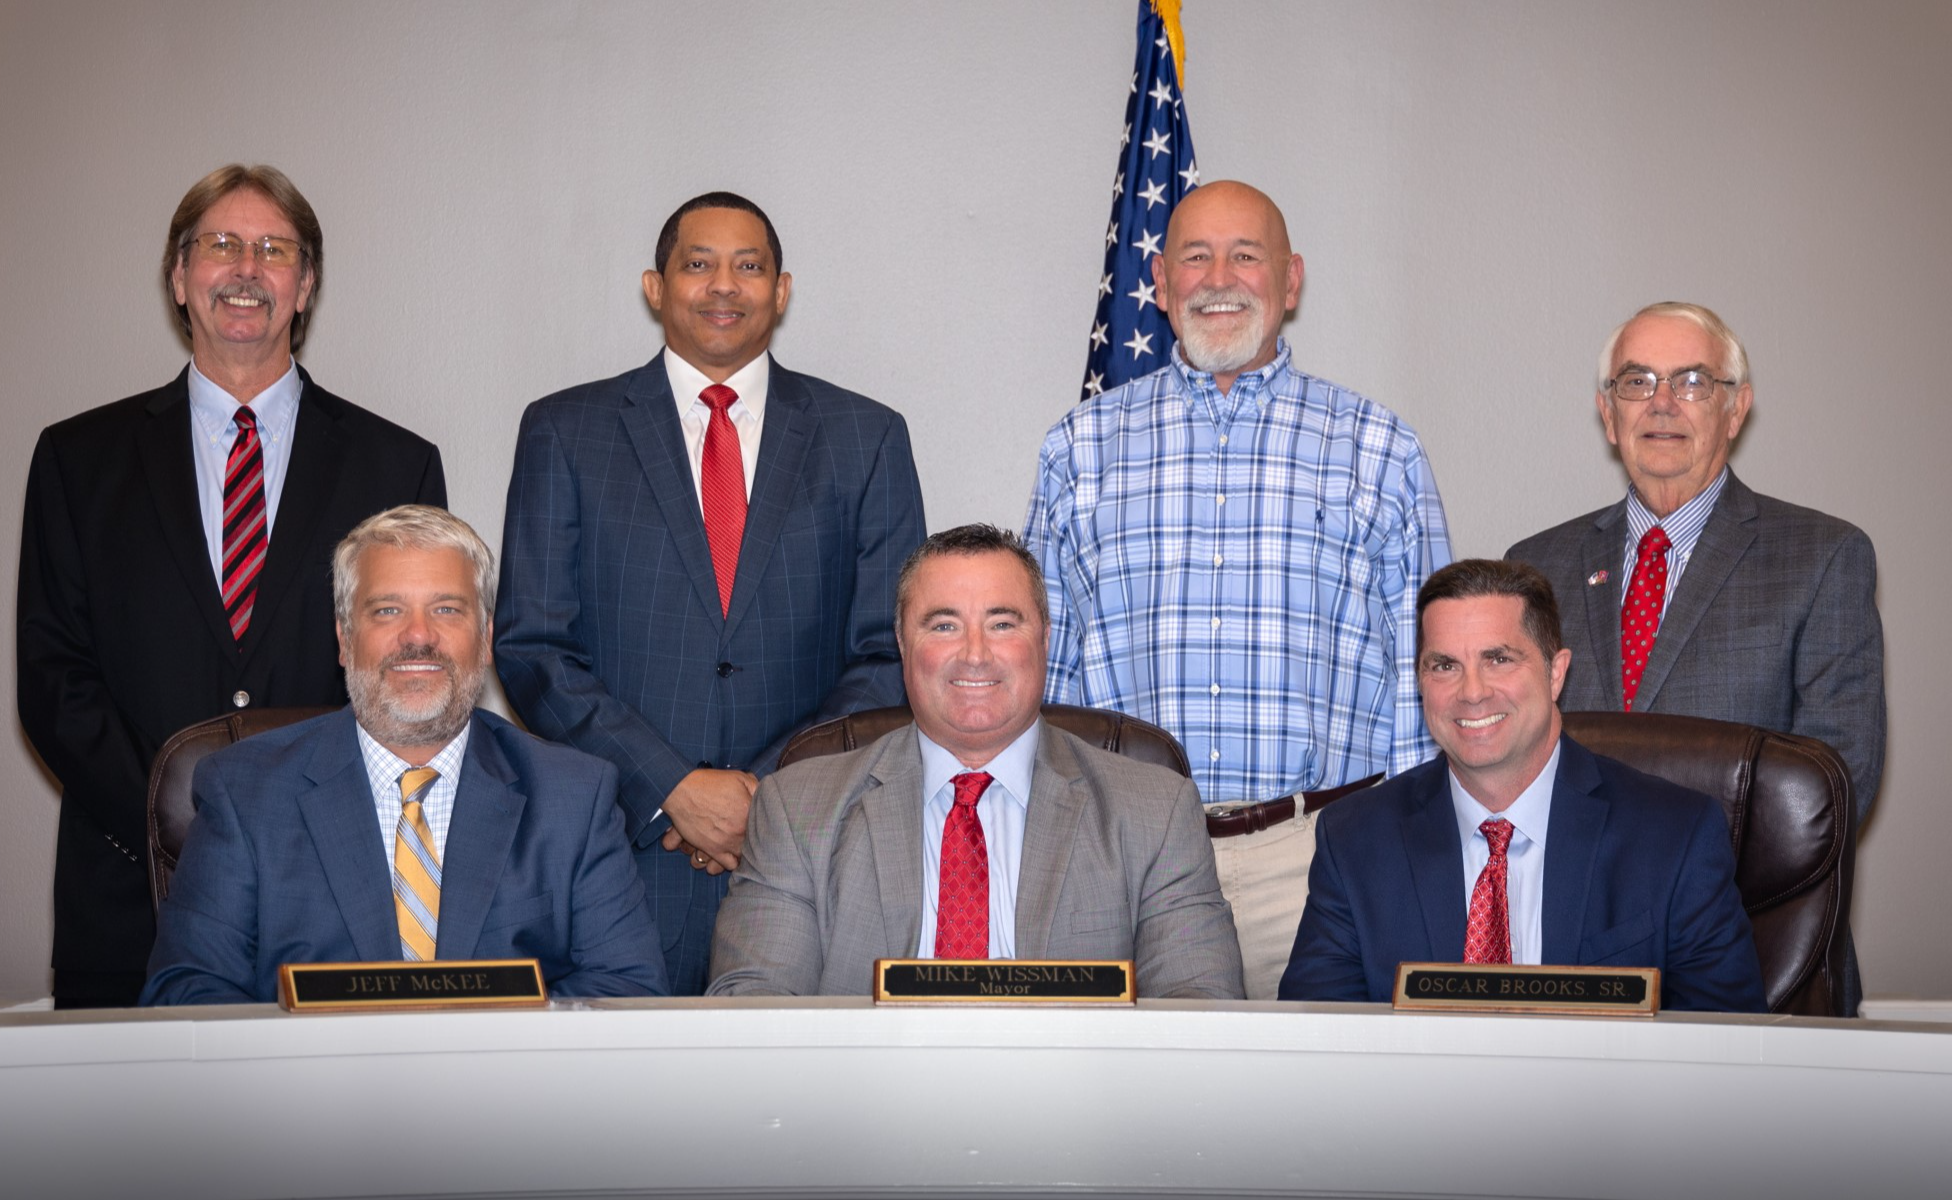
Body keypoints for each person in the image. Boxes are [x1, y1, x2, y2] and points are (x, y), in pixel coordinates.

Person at [17, 164, 446, 1009]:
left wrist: (286, 832)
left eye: (274, 249)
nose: (246, 269)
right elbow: (54, 679)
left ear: (306, 284)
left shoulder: (395, 463)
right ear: (180, 278)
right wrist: (174, 819)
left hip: (333, 898)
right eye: (220, 245)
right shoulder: (79, 459)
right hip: (127, 907)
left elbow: (414, 676)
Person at [1023, 180, 1452, 998]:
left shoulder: (1378, 445)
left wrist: (1412, 858)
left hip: (1320, 861)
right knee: (1137, 1114)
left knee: (1317, 1117)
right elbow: (1051, 671)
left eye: (1246, 255)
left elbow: (1425, 670)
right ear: (1159, 279)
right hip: (1129, 859)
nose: (1220, 277)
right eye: (1196, 255)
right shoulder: (1078, 449)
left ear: (1291, 281)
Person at [495, 192, 926, 994]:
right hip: (619, 850)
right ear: (655, 287)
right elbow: (532, 646)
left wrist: (766, 796)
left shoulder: (866, 438)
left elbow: (888, 652)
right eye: (698, 264)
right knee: (624, 1108)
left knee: (797, 1107)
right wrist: (670, 786)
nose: (723, 285)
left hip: (806, 853)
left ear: (782, 290)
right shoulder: (565, 430)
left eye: (748, 266)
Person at [142, 507, 667, 1004]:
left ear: (485, 640)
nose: (419, 636)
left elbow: (628, 992)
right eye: (387, 610)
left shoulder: (574, 797)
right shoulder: (245, 791)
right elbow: (189, 994)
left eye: (446, 609)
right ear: (345, 639)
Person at [707, 525, 1243, 999]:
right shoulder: (796, 809)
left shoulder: (1156, 812)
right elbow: (755, 1007)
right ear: (901, 643)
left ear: (1046, 640)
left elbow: (1199, 1009)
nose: (975, 654)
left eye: (1003, 624)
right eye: (943, 626)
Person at [1279, 559, 1765, 1012]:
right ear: (1421, 682)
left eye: (1499, 659)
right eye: (1444, 665)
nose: (1472, 692)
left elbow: (1726, 1056)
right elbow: (1315, 1051)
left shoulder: (1674, 836)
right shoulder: (1355, 840)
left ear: (1556, 673)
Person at [1506, 302, 1885, 818]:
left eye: (1691, 382)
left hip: (1731, 892)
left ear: (1736, 409)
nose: (1661, 403)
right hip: (1568, 890)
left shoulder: (1823, 558)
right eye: (1636, 382)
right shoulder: (1535, 565)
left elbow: (1837, 784)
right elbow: (1507, 755)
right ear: (1609, 414)